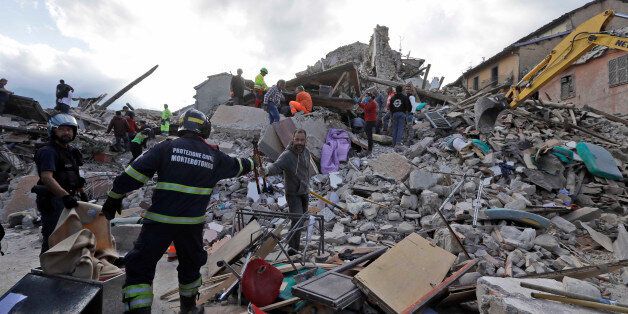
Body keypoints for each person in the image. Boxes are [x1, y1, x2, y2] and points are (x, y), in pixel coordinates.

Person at [101, 109, 256, 313]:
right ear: (205, 129)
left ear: (182, 127)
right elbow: (238, 166)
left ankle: (139, 310)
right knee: (191, 266)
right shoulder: (214, 156)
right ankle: (189, 308)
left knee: (140, 266)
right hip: (191, 225)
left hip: (159, 223)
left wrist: (113, 198)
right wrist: (253, 161)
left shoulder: (166, 148)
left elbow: (131, 175)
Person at [33, 114, 87, 254]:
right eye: (62, 129)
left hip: (69, 198)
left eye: (70, 129)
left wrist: (82, 192)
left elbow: (74, 174)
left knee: (71, 235)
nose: (66, 132)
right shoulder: (47, 152)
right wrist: (65, 196)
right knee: (53, 236)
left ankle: (66, 267)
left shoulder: (72, 151)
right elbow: (47, 177)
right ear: (53, 130)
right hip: (53, 201)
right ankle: (47, 269)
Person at [263, 129, 312, 252]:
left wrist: (307, 186)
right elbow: (276, 166)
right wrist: (266, 171)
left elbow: (305, 171)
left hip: (304, 191)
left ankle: (294, 245)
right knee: (297, 220)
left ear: (306, 141)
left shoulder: (306, 152)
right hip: (293, 194)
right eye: (297, 139)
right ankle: (291, 248)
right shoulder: (287, 155)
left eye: (302, 140)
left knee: (301, 220)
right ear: (293, 139)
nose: (299, 142)